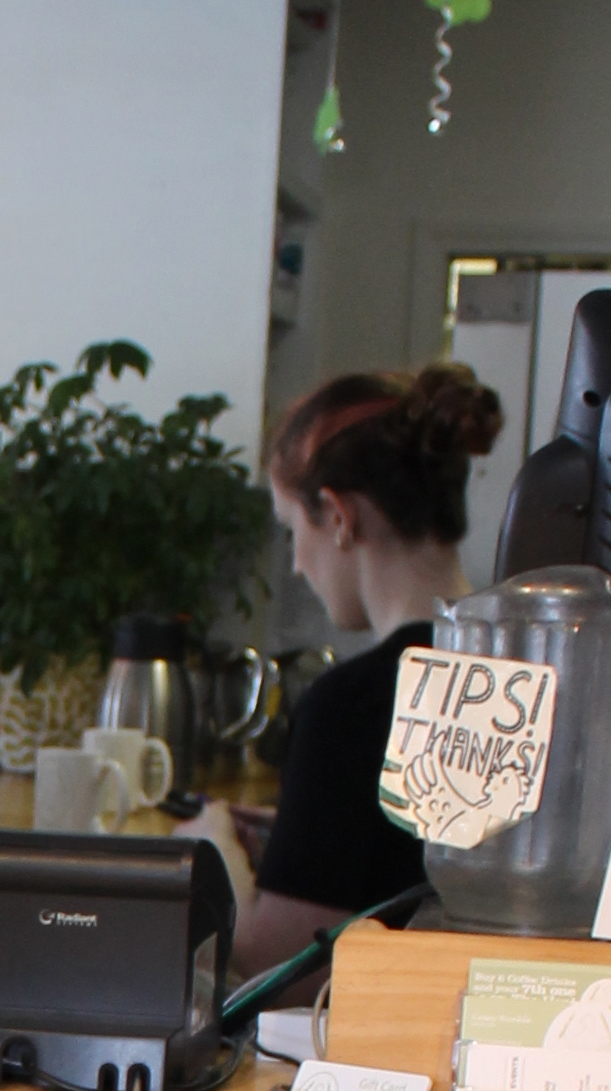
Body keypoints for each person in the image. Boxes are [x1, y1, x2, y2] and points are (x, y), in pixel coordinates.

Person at [208, 362, 503, 981]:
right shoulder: (518, 671)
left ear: (340, 517)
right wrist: (307, 833)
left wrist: (214, 851)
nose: (296, 564)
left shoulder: (352, 705)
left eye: (293, 528)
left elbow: (278, 969)